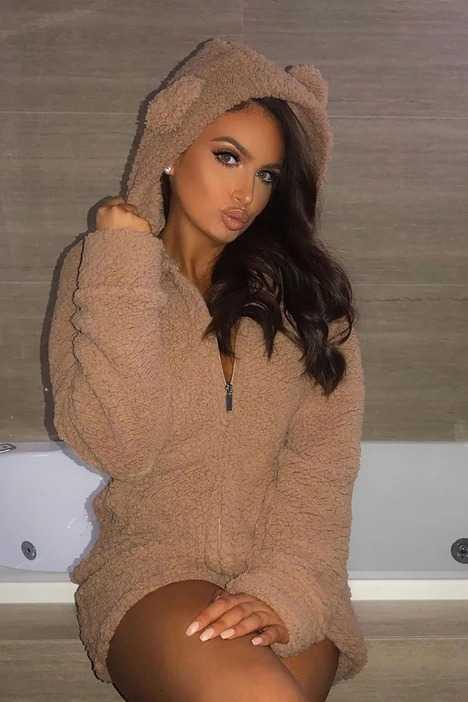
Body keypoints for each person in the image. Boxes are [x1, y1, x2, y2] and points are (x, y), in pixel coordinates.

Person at [48, 38, 367, 702]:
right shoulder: (104, 271)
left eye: (268, 175)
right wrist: (122, 265)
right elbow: (119, 445)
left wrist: (285, 590)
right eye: (228, 157)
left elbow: (322, 471)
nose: (246, 192)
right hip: (154, 570)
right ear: (171, 150)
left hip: (290, 571)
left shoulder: (309, 300)